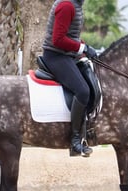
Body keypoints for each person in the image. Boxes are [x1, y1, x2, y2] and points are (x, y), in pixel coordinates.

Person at [42, 0, 97, 157]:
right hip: (56, 56)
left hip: (67, 55)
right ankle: (75, 140)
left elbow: (71, 35)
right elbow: (58, 39)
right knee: (82, 90)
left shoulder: (76, 4)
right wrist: (82, 48)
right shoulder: (67, 5)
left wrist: (84, 46)